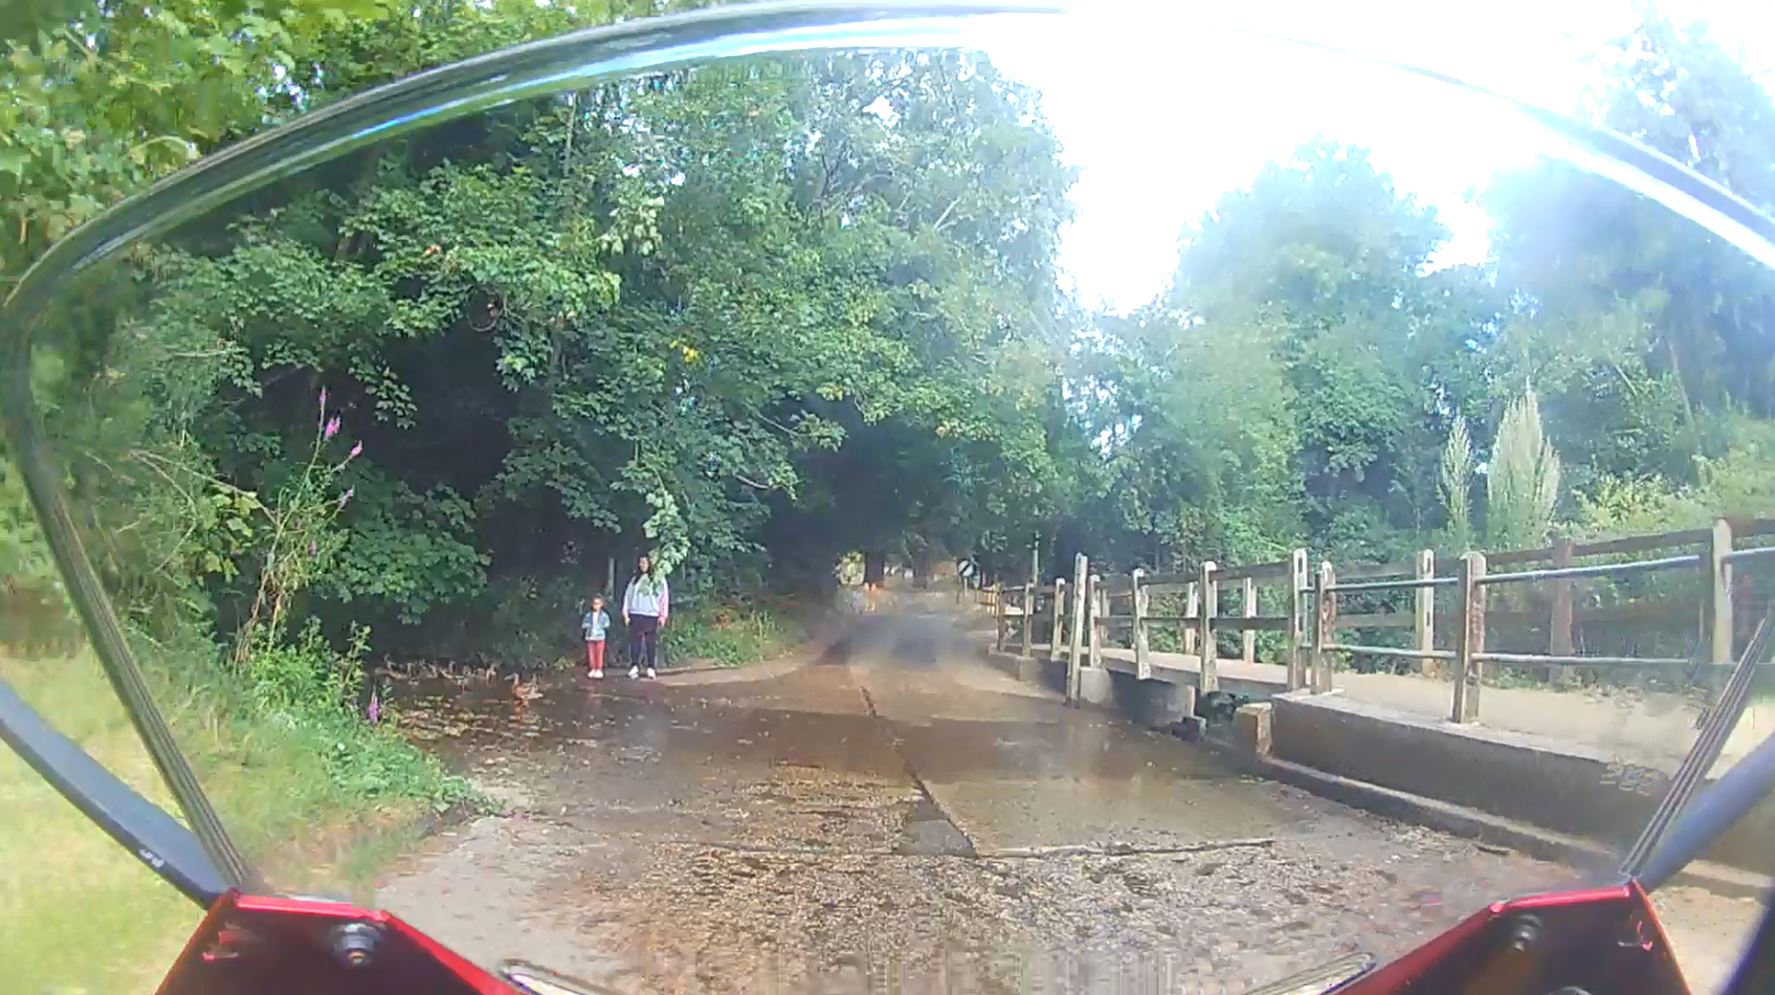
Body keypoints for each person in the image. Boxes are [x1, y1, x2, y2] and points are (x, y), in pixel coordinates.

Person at [622, 553, 669, 679]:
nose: (642, 565)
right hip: (636, 613)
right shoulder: (634, 580)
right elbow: (628, 597)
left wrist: (663, 615)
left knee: (650, 642)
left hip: (651, 614)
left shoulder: (658, 580)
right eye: (641, 562)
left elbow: (664, 598)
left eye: (645, 562)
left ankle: (650, 667)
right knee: (635, 642)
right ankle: (634, 666)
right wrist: (626, 613)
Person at [581, 593, 610, 679]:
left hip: (600, 636)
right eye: (594, 603)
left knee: (599, 653)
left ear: (601, 605)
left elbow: (607, 624)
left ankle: (599, 669)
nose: (595, 605)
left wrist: (603, 626)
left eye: (598, 604)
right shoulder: (588, 615)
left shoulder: (604, 615)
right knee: (591, 654)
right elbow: (584, 624)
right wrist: (587, 626)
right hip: (590, 636)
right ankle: (593, 668)